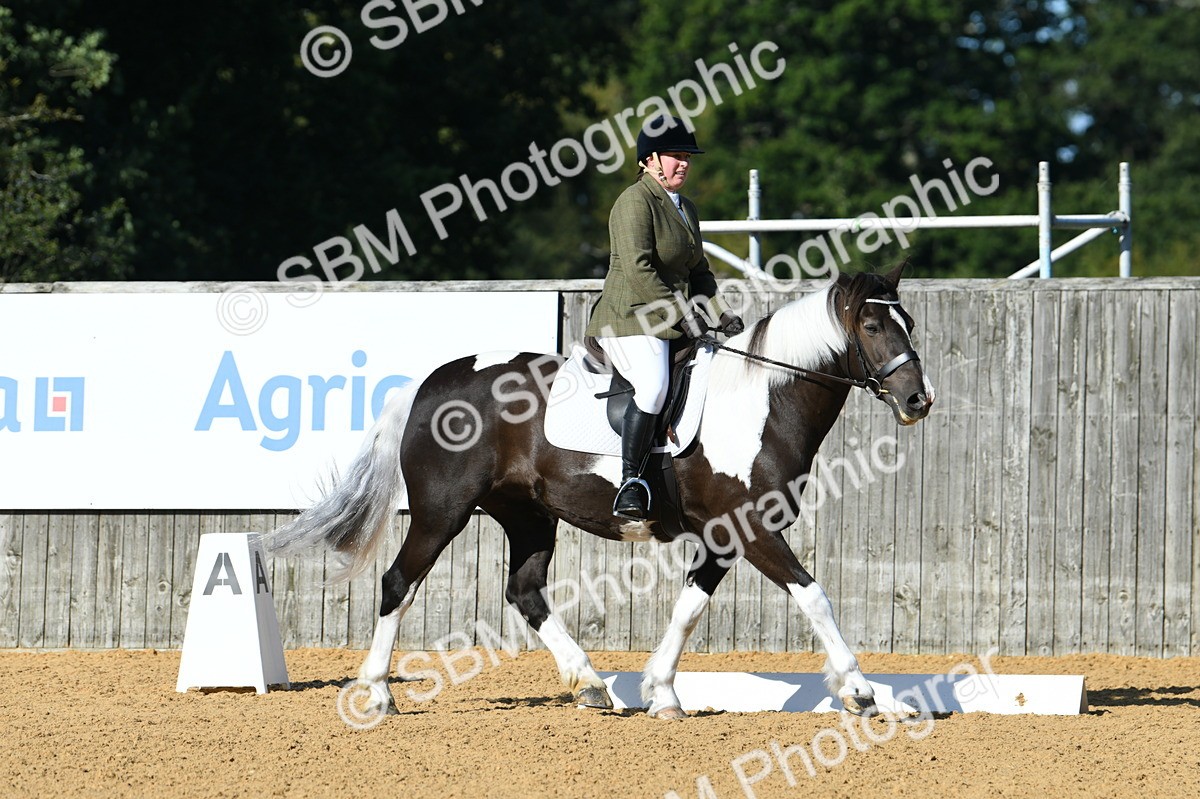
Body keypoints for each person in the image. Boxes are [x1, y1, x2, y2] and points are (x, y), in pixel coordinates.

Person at [585, 115, 744, 520]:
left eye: (687, 156)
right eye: (676, 155)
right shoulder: (634, 201)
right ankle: (631, 482)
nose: (684, 163)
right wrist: (682, 314)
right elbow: (639, 271)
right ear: (649, 159)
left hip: (672, 321)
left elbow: (699, 271)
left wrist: (721, 313)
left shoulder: (686, 208)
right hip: (630, 319)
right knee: (654, 386)